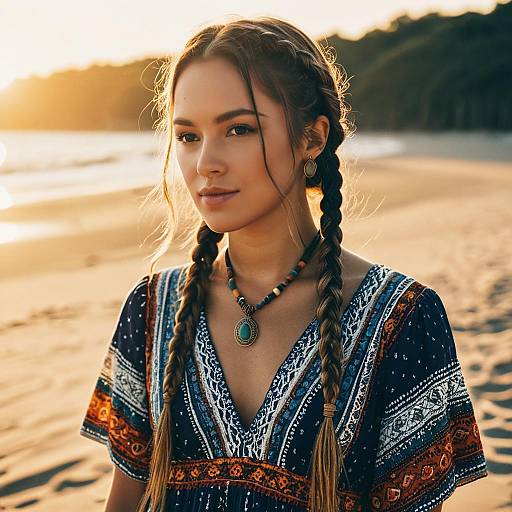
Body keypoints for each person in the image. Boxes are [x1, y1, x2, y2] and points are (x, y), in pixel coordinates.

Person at [79, 16, 488, 512]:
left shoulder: (402, 320)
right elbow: (124, 500)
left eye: (238, 129)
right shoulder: (151, 310)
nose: (206, 161)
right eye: (187, 136)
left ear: (312, 139)